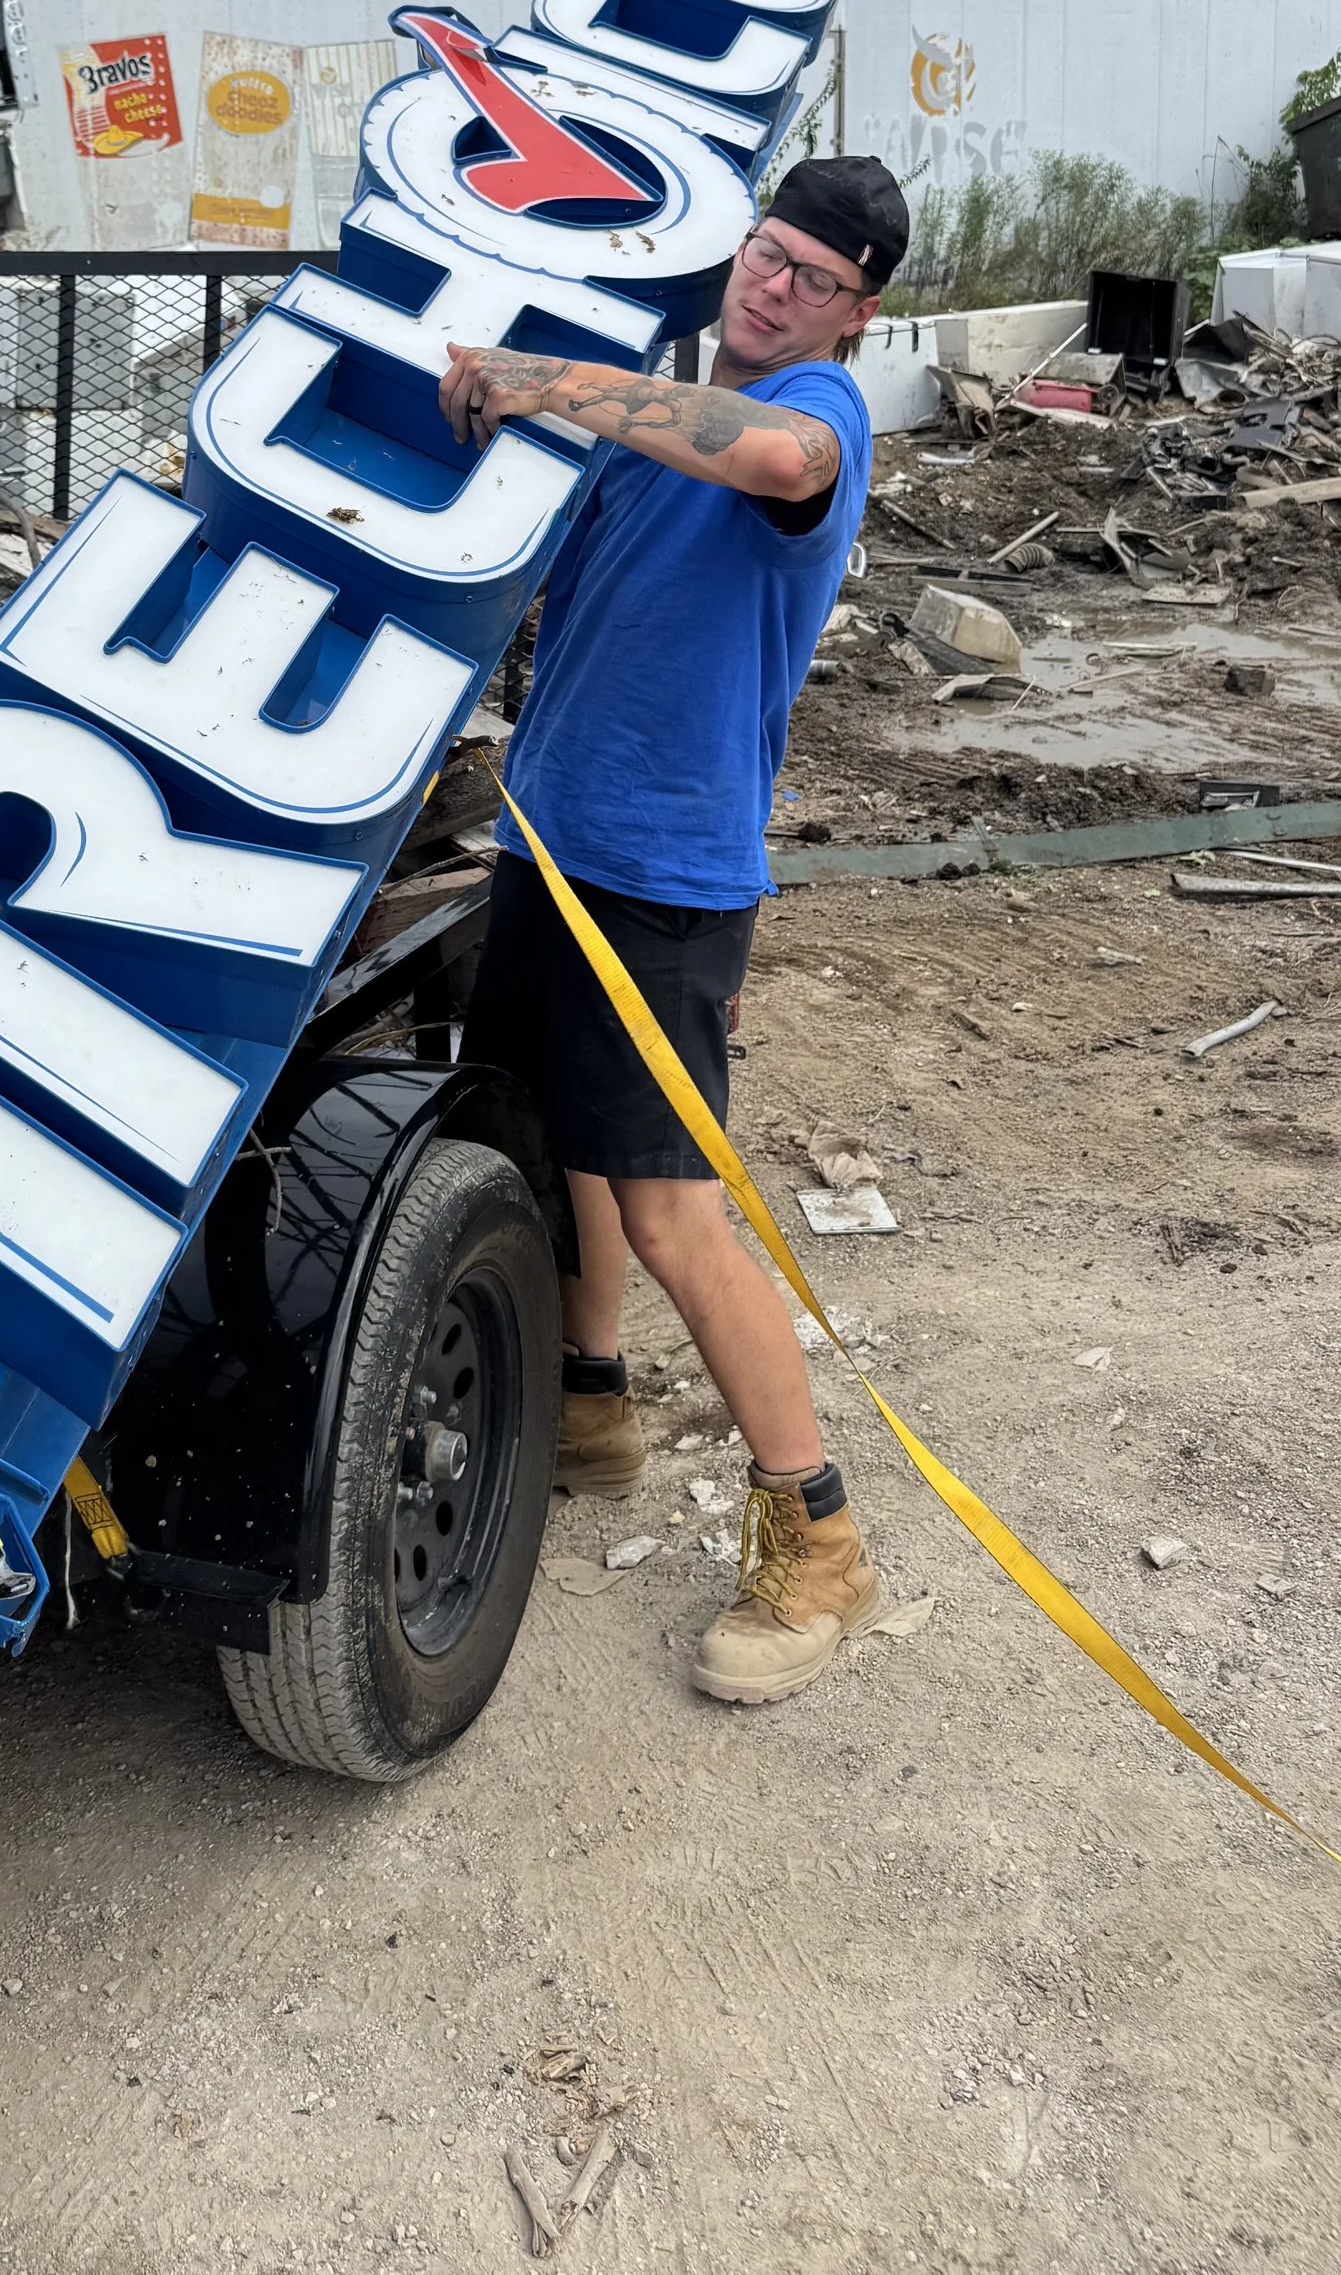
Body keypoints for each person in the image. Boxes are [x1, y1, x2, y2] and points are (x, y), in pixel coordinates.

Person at [442, 152, 909, 1706]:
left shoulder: (815, 420)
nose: (775, 288)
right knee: (544, 1137)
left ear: (857, 314)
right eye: (767, 256)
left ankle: (816, 1536)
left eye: (815, 280)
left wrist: (544, 379)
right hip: (549, 844)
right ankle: (588, 1400)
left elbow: (775, 465)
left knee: (666, 1208)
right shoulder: (647, 432)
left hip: (666, 873)